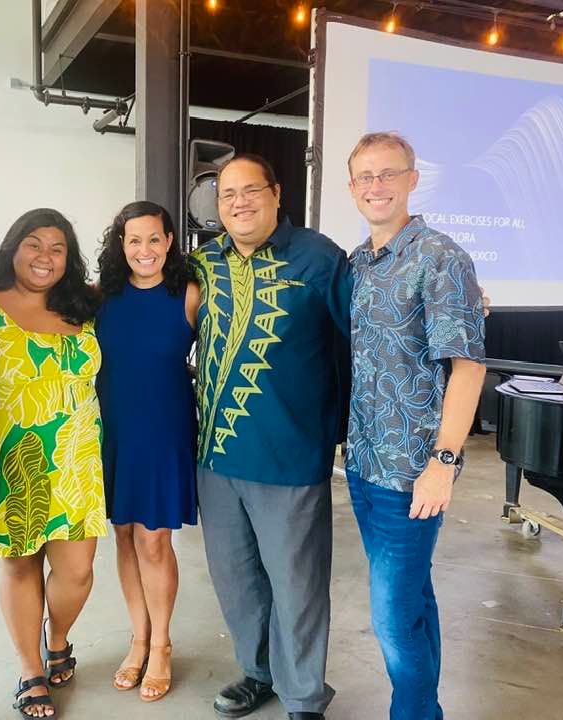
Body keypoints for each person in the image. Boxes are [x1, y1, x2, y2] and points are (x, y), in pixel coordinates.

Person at [189, 154, 351, 720]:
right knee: (236, 580)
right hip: (215, 454)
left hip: (291, 453)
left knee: (297, 585)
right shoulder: (204, 263)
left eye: (250, 190)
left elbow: (358, 345)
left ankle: (304, 695)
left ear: (276, 194)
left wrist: (345, 431)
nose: (238, 202)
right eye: (227, 194)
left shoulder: (319, 258)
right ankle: (257, 672)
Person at [344, 132, 486, 720]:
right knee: (412, 601)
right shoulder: (358, 263)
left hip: (412, 473)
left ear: (411, 179)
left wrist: (444, 463)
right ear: (353, 188)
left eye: (388, 174)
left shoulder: (441, 257)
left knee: (392, 617)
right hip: (362, 463)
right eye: (365, 177)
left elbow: (469, 367)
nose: (376, 186)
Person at [0, 208, 106, 719]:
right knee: (21, 564)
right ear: (13, 247)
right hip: (14, 455)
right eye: (33, 244)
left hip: (78, 457)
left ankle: (58, 637)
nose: (44, 257)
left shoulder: (83, 306)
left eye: (57, 248)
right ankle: (31, 667)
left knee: (76, 571)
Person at [95, 201, 199, 702]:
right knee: (124, 537)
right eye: (134, 240)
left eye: (154, 239)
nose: (144, 250)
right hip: (113, 429)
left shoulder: (190, 295)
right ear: (121, 245)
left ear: (170, 241)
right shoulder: (103, 298)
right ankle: (137, 638)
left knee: (154, 541)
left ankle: (161, 644)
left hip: (164, 429)